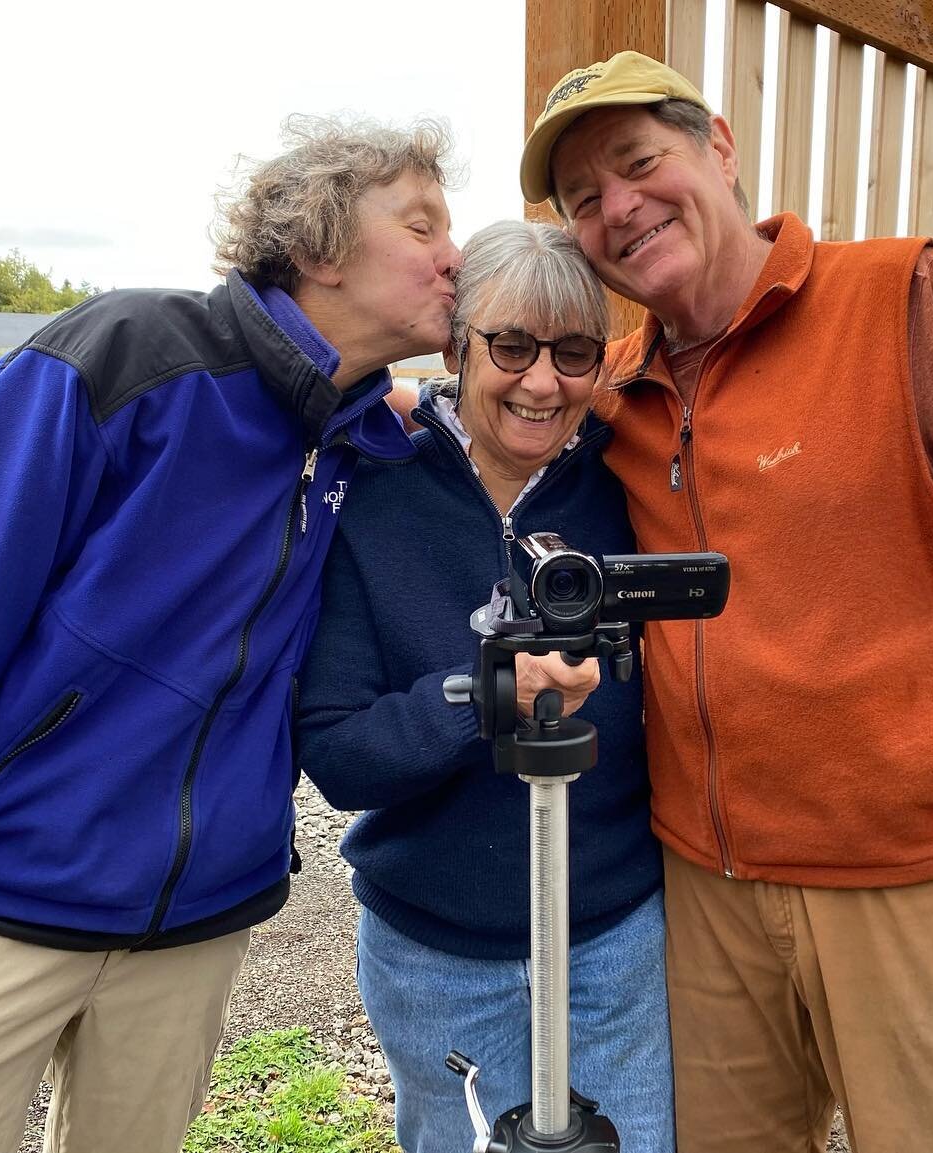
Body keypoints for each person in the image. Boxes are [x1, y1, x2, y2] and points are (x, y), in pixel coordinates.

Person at [0, 115, 461, 1153]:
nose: (454, 256)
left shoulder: (357, 442)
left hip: (187, 937)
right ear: (321, 244)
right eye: (421, 225)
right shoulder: (128, 361)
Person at [518, 51, 933, 1153]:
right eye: (583, 201)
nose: (619, 208)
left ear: (720, 148)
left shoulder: (904, 297)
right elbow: (488, 409)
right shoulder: (615, 388)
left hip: (921, 885)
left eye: (639, 163)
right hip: (706, 893)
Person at [295, 219, 674, 1153]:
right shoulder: (377, 492)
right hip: (436, 951)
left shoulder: (626, 486)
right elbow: (340, 751)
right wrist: (484, 691)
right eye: (511, 345)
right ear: (458, 348)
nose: (542, 382)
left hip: (612, 940)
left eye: (574, 352)